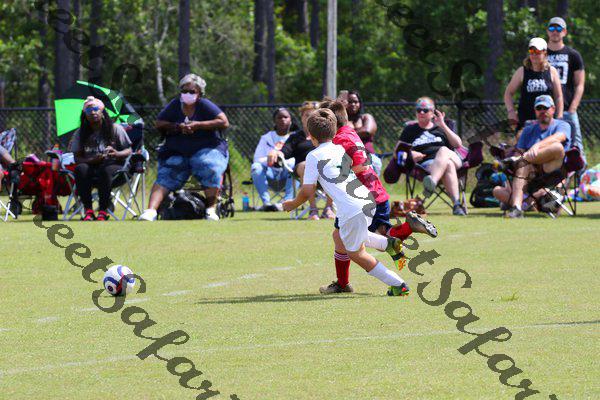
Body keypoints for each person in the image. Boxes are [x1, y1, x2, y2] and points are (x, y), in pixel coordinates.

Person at [282, 108, 410, 296]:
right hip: (365, 199)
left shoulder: (313, 156)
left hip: (351, 207)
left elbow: (307, 190)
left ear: (311, 136)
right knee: (344, 235)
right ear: (334, 131)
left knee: (356, 253)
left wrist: (292, 204)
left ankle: (398, 284)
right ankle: (388, 244)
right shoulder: (339, 148)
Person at [318, 99, 437, 294]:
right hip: (376, 193)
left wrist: (337, 175)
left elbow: (361, 163)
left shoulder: (340, 139)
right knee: (349, 236)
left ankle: (345, 283)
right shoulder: (349, 132)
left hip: (359, 198)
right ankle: (407, 229)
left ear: (330, 124)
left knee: (350, 241)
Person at [139, 74, 229, 221]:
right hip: (177, 150)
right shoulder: (175, 105)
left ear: (199, 93)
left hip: (206, 148)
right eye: (184, 91)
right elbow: (159, 123)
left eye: (192, 91)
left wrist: (198, 125)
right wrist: (177, 126)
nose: (187, 94)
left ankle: (210, 210)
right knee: (166, 174)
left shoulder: (205, 105)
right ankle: (151, 211)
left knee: (209, 166)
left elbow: (224, 122)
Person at [493, 95, 571, 219]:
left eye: (545, 108)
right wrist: (520, 158)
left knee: (557, 147)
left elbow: (560, 137)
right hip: (532, 174)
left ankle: (531, 200)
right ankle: (517, 208)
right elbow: (519, 152)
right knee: (520, 166)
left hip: (553, 169)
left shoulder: (562, 125)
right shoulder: (528, 130)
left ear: (553, 109)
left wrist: (537, 146)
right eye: (539, 108)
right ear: (535, 111)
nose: (542, 111)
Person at [395, 97, 466, 216]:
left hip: (453, 158)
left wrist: (443, 125)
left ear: (433, 113)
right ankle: (457, 205)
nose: (421, 112)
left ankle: (432, 182)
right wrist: (410, 154)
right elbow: (397, 151)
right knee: (448, 165)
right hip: (428, 165)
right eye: (419, 110)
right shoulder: (410, 130)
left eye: (425, 110)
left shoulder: (440, 128)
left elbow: (458, 144)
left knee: (443, 150)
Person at [268, 101, 335, 220]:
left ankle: (328, 208)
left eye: (313, 115)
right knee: (306, 165)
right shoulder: (295, 136)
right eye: (307, 115)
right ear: (302, 118)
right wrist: (276, 152)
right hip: (302, 169)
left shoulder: (325, 135)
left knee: (331, 165)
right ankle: (313, 210)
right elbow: (285, 151)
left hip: (324, 170)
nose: (310, 118)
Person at [69, 96, 132, 221]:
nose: (93, 112)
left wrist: (116, 153)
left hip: (116, 168)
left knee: (106, 170)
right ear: (84, 114)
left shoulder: (115, 128)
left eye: (96, 109)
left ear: (102, 112)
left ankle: (103, 210)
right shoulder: (80, 133)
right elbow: (77, 158)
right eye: (89, 110)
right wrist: (92, 160)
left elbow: (129, 150)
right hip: (91, 169)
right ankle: (88, 210)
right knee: (80, 169)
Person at [546, 16, 586, 168]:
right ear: (547, 31)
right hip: (545, 110)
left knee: (576, 146)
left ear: (564, 32)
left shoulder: (573, 55)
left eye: (559, 28)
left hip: (568, 109)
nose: (555, 31)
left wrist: (573, 108)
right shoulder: (540, 53)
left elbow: (580, 84)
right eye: (552, 28)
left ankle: (581, 177)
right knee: (546, 144)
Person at [504, 37, 564, 132]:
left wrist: (559, 116)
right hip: (526, 121)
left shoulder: (551, 71)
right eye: (532, 51)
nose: (534, 54)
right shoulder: (522, 71)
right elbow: (508, 93)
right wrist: (511, 111)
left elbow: (558, 96)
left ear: (545, 53)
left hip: (546, 122)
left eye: (538, 51)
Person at [251, 108, 296, 210]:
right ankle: (266, 203)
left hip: (288, 174)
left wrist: (281, 159)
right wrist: (270, 159)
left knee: (295, 165)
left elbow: (298, 157)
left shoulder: (295, 137)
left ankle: (287, 202)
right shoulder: (266, 138)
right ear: (274, 120)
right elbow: (257, 159)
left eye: (285, 117)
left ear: (290, 120)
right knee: (256, 167)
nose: (283, 119)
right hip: (269, 175)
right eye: (279, 117)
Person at [342, 90, 382, 175]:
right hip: (348, 158)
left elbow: (367, 131)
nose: (353, 104)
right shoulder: (342, 121)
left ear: (360, 103)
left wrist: (347, 135)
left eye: (356, 102)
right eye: (350, 102)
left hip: (368, 156)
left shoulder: (366, 117)